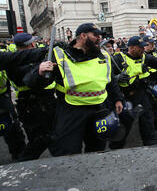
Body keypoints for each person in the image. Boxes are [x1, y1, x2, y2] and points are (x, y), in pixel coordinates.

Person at [32, 23, 124, 157]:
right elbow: (33, 81)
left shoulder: (103, 55)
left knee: (97, 149)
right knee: (68, 151)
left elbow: (110, 81)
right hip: (71, 110)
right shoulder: (60, 55)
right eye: (95, 35)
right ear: (83, 36)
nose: (99, 38)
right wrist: (39, 73)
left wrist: (117, 99)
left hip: (99, 109)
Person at [111, 36, 157, 149]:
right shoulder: (118, 59)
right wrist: (117, 78)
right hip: (125, 97)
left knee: (148, 122)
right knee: (124, 126)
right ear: (131, 47)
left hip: (141, 94)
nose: (143, 49)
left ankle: (151, 147)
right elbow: (106, 78)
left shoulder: (145, 57)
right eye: (140, 47)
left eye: (144, 47)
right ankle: (115, 150)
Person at [5, 33, 57, 161]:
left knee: (53, 135)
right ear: (31, 44)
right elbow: (27, 77)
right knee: (38, 139)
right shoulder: (14, 62)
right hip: (30, 104)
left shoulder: (31, 57)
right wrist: (39, 68)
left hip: (46, 101)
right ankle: (24, 161)